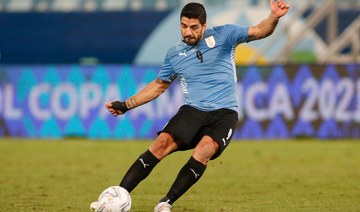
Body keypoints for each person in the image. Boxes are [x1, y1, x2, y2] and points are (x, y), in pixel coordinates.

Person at [93, 1, 289, 211]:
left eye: (194, 27)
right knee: (161, 143)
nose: (188, 32)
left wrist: (274, 17)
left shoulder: (225, 35)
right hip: (193, 111)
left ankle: (165, 203)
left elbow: (259, 30)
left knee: (205, 150)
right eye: (184, 26)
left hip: (224, 114)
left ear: (204, 26)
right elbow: (159, 85)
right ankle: (117, 196)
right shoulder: (174, 54)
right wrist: (125, 105)